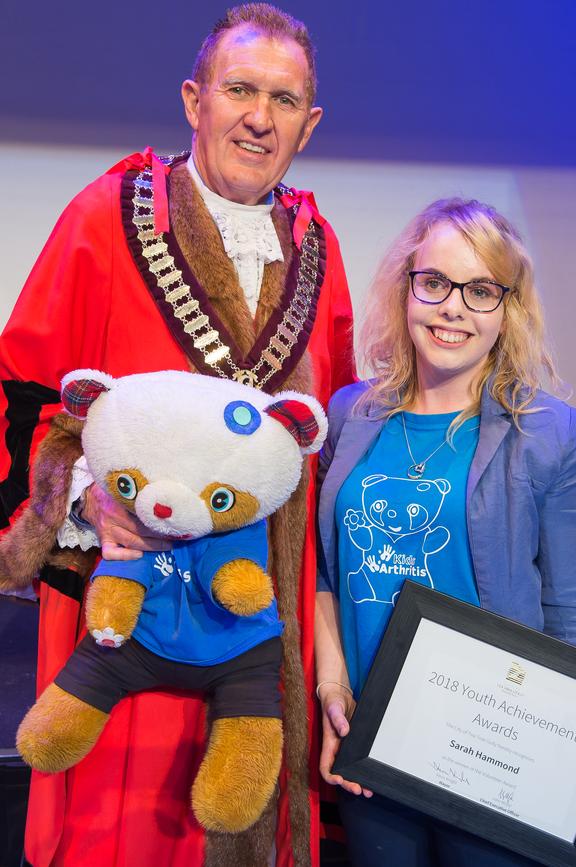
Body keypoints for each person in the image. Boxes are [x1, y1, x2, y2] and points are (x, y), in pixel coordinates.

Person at [0, 4, 355, 866]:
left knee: (245, 797)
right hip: (131, 576)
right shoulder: (104, 216)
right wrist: (81, 502)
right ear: (194, 99)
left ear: (309, 126)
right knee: (127, 816)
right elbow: (25, 392)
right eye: (239, 89)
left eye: (283, 99)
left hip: (258, 595)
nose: (258, 118)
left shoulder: (318, 244)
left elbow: (329, 432)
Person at [315, 198, 576, 866]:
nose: (452, 307)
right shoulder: (351, 414)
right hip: (375, 749)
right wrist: (333, 693)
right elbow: (324, 573)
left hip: (493, 755)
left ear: (507, 306)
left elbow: (572, 608)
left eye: (480, 290)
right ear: (407, 289)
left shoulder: (548, 431)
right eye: (435, 282)